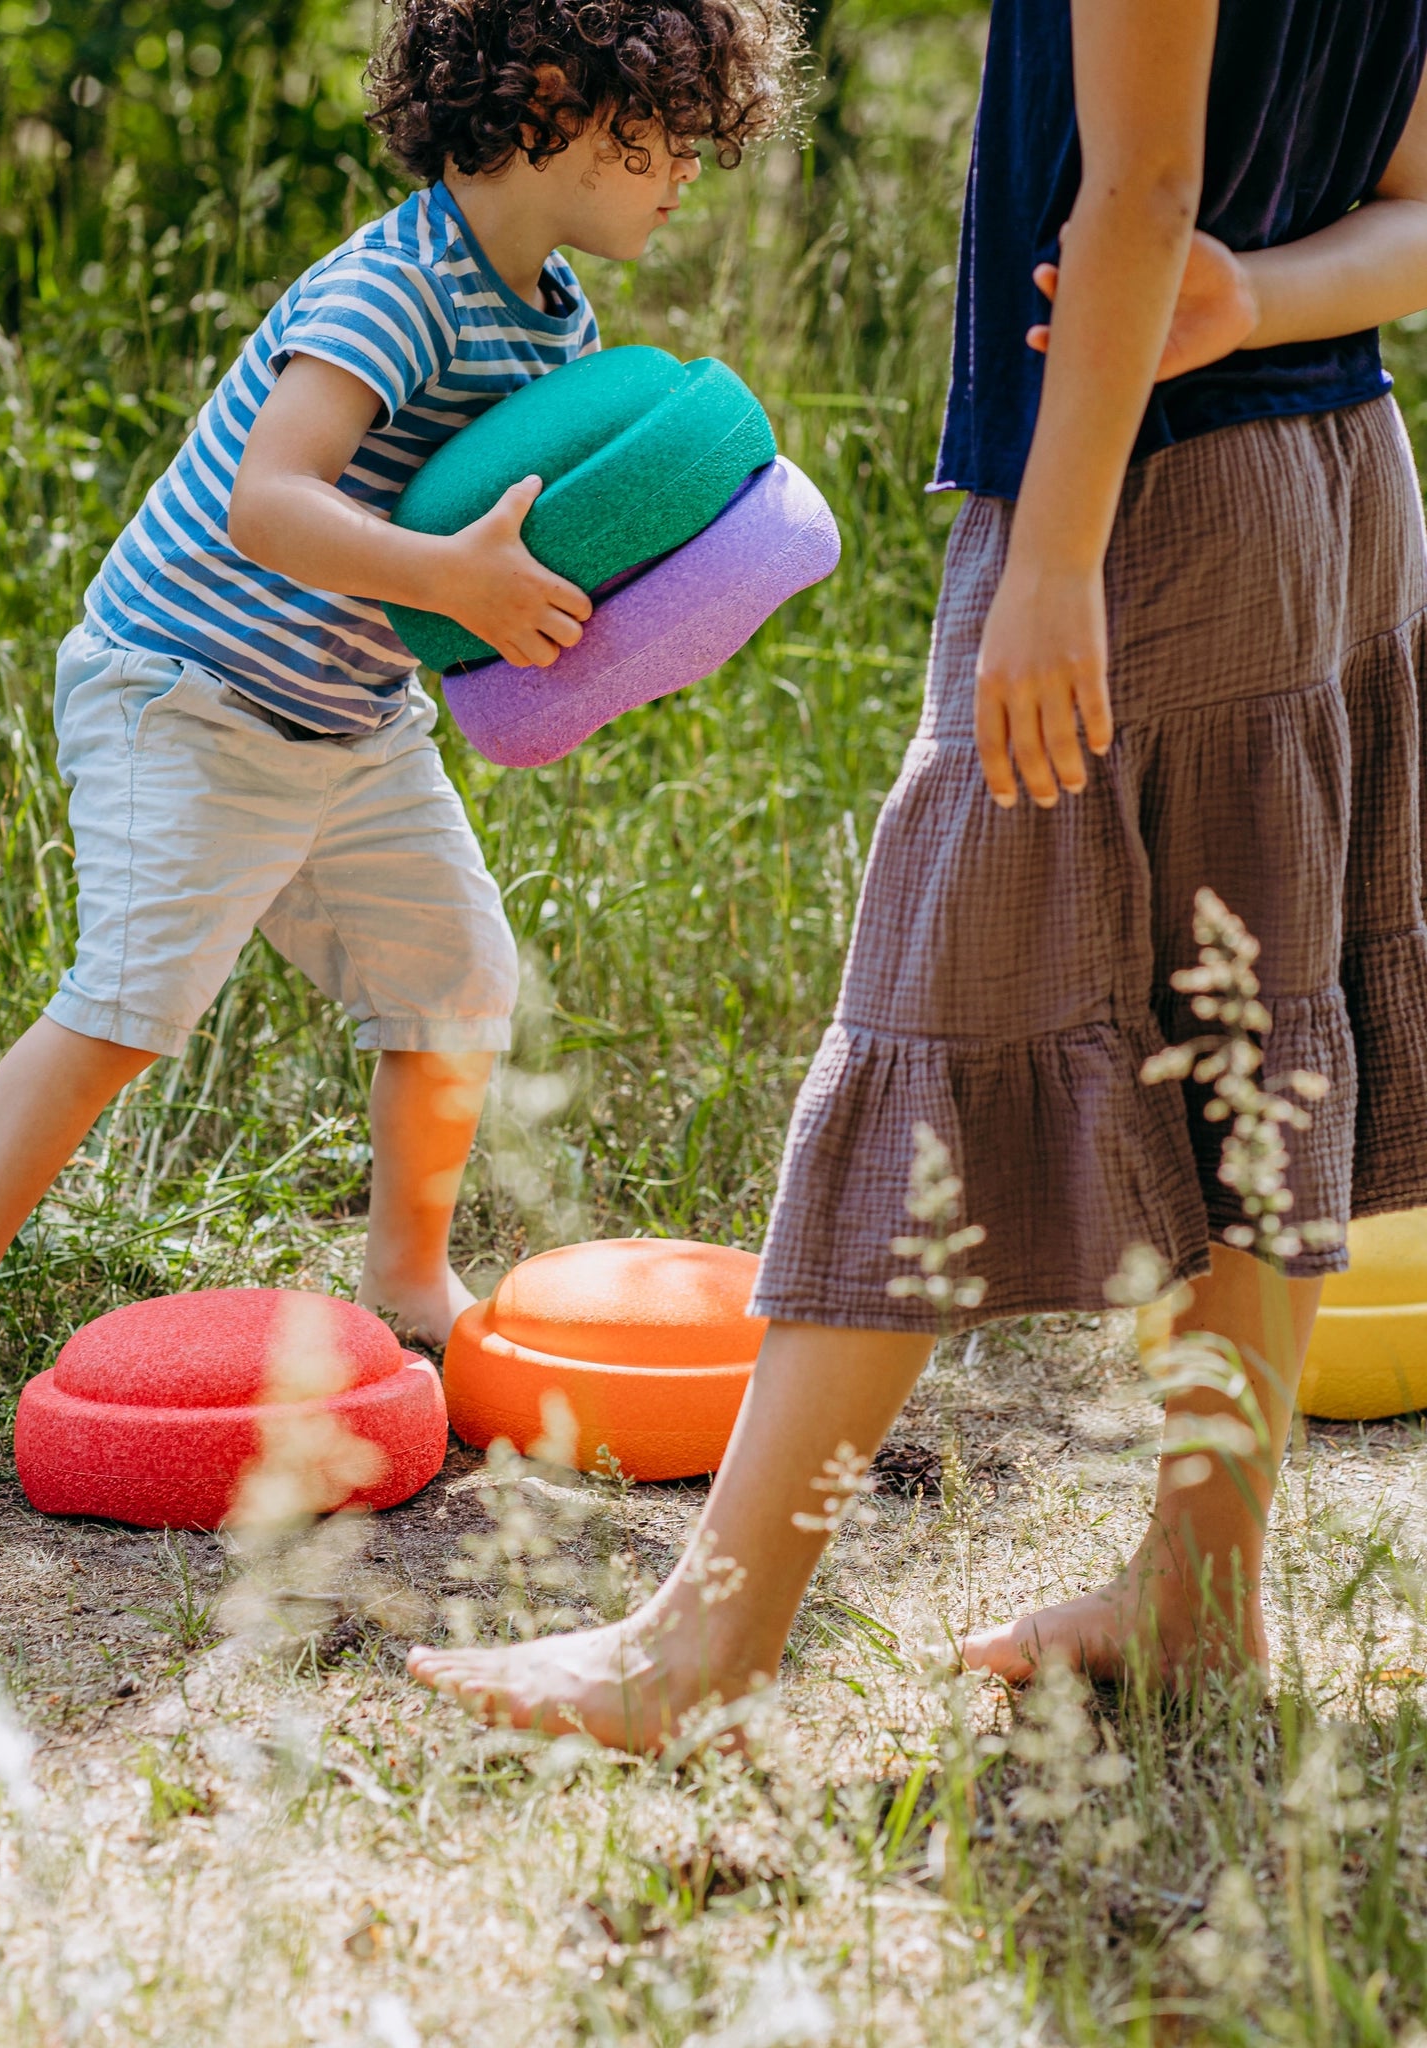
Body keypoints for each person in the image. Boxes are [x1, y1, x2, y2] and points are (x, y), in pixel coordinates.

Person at [410, 0, 1427, 1743]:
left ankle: (701, 1649)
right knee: (1259, 1046)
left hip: (1145, 506)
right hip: (1331, 484)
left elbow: (1143, 188)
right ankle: (1200, 1591)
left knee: (931, 1020)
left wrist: (1053, 552)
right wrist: (1260, 303)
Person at [0, 0, 796, 1478]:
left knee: (457, 978)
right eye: (664, 131)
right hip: (186, 685)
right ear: (553, 98)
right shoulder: (395, 284)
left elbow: (521, 545)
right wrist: (452, 584)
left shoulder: (557, 316)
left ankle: (409, 1279)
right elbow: (270, 502)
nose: (691, 165)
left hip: (352, 715)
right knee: (131, 1002)